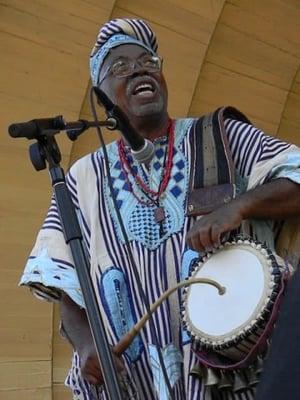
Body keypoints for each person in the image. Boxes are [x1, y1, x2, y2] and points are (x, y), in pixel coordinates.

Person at [20, 18, 300, 400]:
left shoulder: (220, 136)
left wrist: (239, 206)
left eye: (148, 61)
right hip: (136, 386)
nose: (138, 69)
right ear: (100, 95)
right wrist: (86, 345)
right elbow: (66, 281)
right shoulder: (83, 177)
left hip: (231, 377)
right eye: (119, 66)